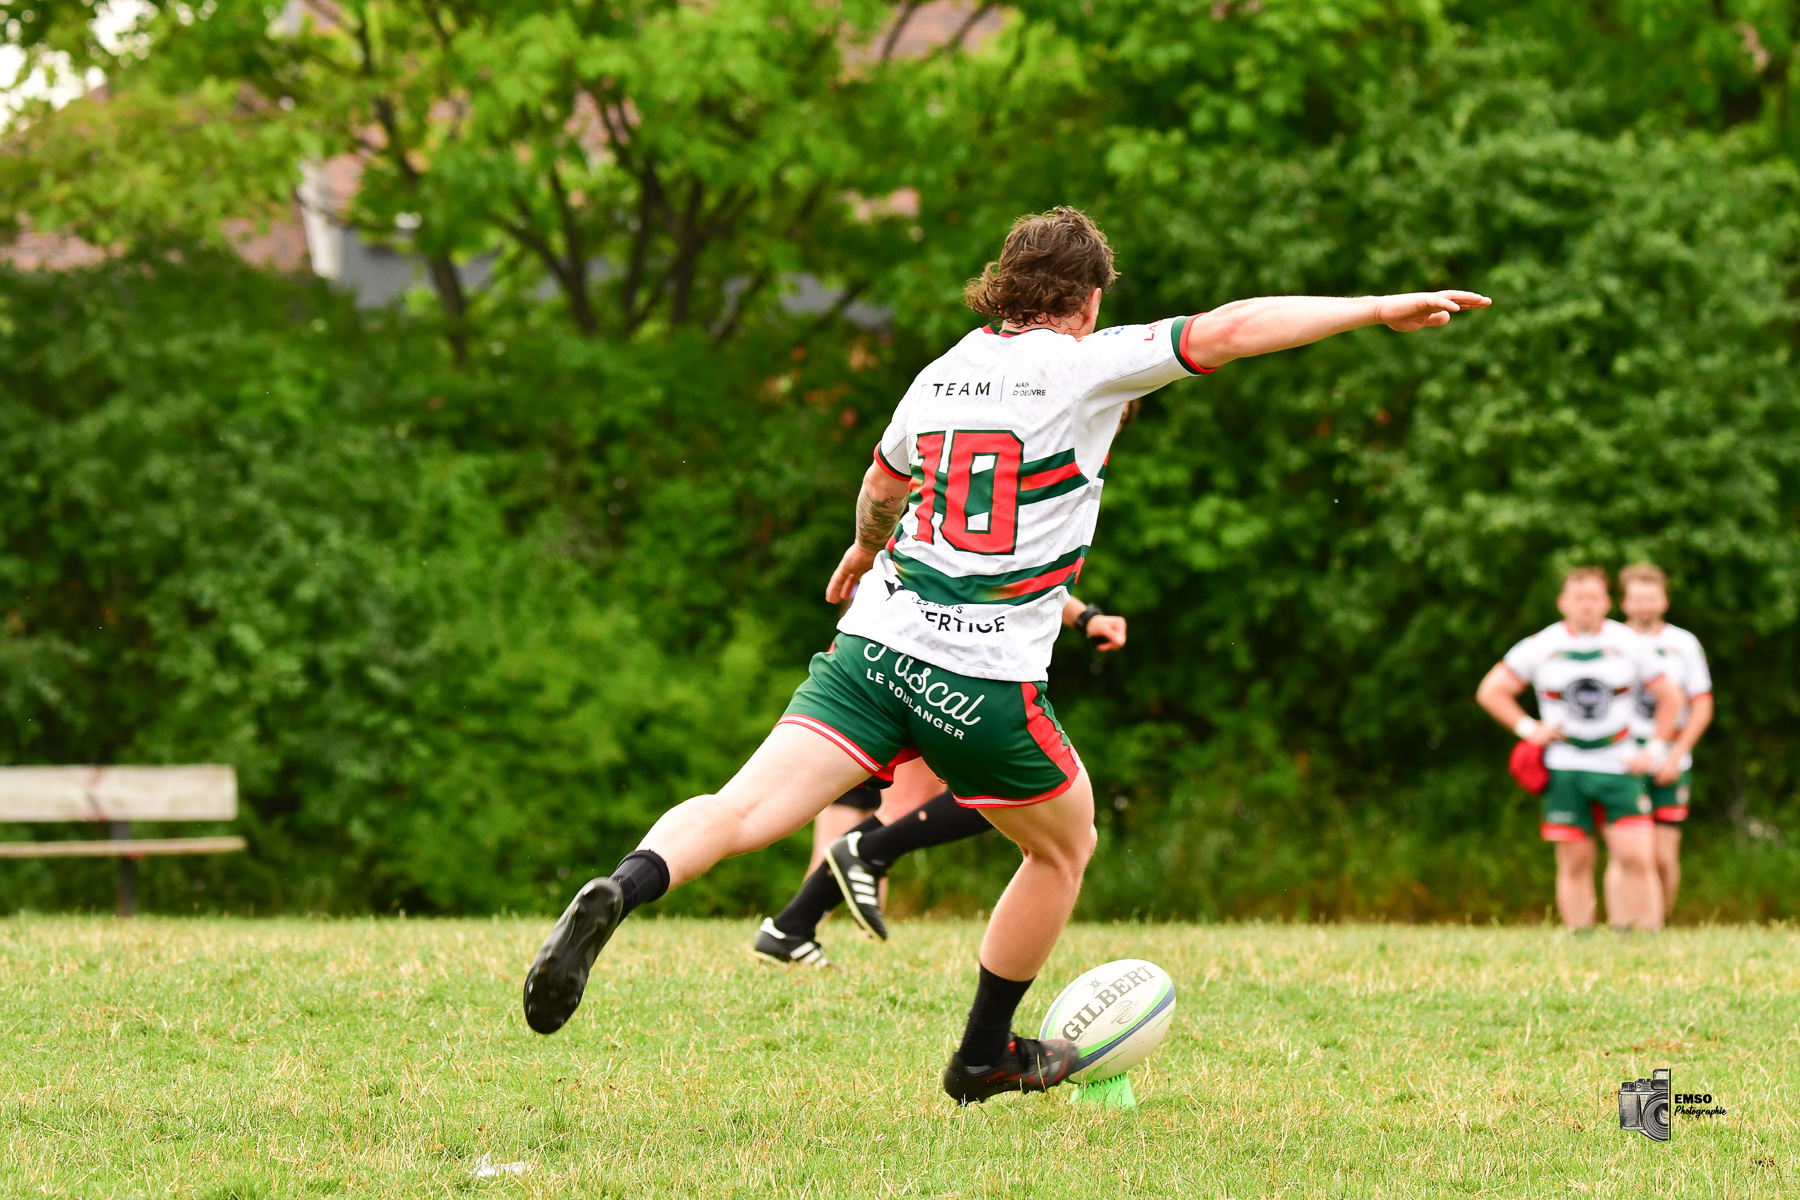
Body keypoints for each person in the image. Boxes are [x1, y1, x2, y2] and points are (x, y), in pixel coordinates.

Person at [522, 205, 1490, 1105]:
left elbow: (881, 484)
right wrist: (1373, 308)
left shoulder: (940, 371)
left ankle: (625, 884)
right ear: (1091, 298)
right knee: (1065, 847)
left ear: (1004, 287)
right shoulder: (1088, 364)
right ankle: (985, 1053)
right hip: (978, 681)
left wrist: (863, 548)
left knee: (741, 808)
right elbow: (1230, 329)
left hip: (871, 648)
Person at [753, 595, 1128, 967]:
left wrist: (1085, 618)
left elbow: (1025, 577)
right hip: (927, 656)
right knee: (1007, 790)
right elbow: (1001, 570)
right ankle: (862, 858)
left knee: (914, 807)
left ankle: (793, 926)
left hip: (917, 653)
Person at [1475, 567, 1681, 930]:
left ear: (1606, 603)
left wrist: (1654, 750)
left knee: (1636, 855)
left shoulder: (1628, 642)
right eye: (1578, 598)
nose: (1586, 605)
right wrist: (1528, 728)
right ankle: (1579, 938)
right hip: (1566, 763)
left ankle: (1646, 936)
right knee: (1575, 858)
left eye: (1593, 598)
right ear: (1562, 603)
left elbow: (1671, 698)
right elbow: (1491, 690)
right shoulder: (1541, 645)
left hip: (1618, 763)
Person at [1616, 563, 1713, 917]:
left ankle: (1659, 922)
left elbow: (1701, 705)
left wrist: (1677, 754)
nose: (1645, 605)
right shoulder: (1613, 640)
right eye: (1637, 598)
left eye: (1652, 597)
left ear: (1665, 601)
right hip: (1624, 757)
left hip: (1671, 755)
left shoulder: (1683, 644)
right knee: (1626, 852)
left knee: (1661, 856)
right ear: (1624, 602)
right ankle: (1623, 924)